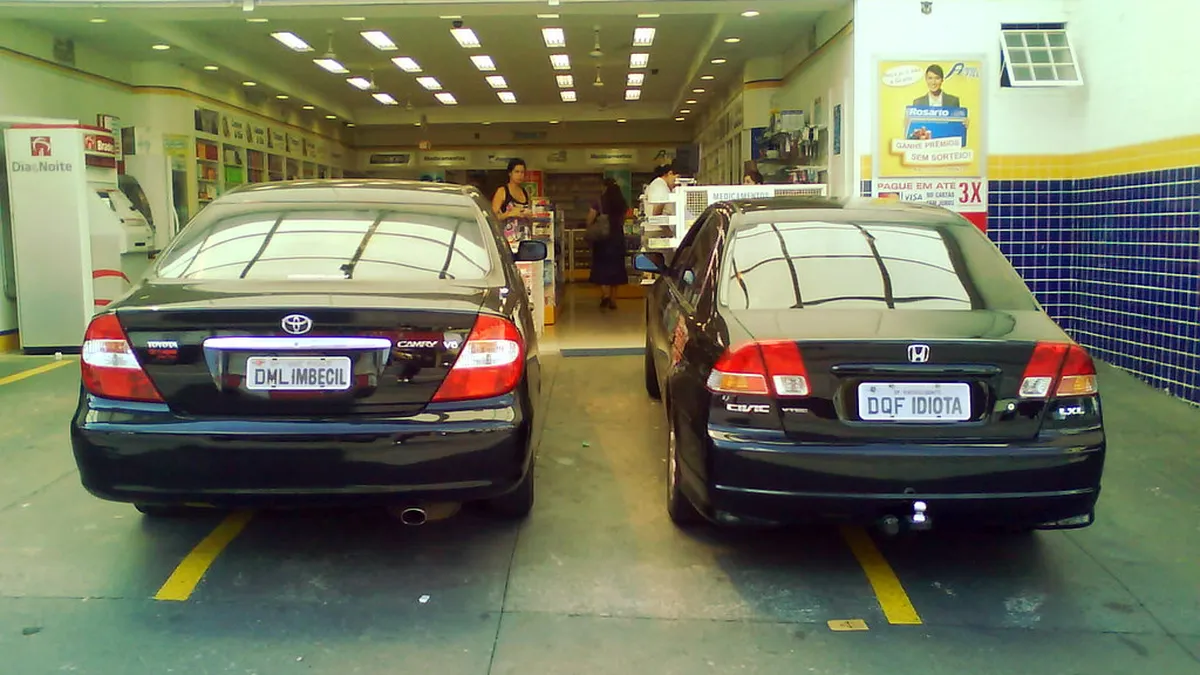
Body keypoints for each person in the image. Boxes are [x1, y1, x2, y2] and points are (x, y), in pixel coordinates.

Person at [585, 178, 629, 310]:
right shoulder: (622, 203)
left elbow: (590, 218)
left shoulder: (599, 201)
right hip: (617, 238)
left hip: (603, 239)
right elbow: (624, 219)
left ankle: (605, 295)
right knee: (616, 268)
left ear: (604, 187)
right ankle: (613, 300)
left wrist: (592, 227)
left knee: (602, 267)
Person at [492, 158, 532, 244]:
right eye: (517, 172)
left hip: (525, 238)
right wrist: (509, 213)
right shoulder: (502, 191)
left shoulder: (525, 192)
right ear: (510, 173)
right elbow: (493, 217)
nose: (520, 175)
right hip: (508, 239)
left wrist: (528, 215)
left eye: (522, 172)